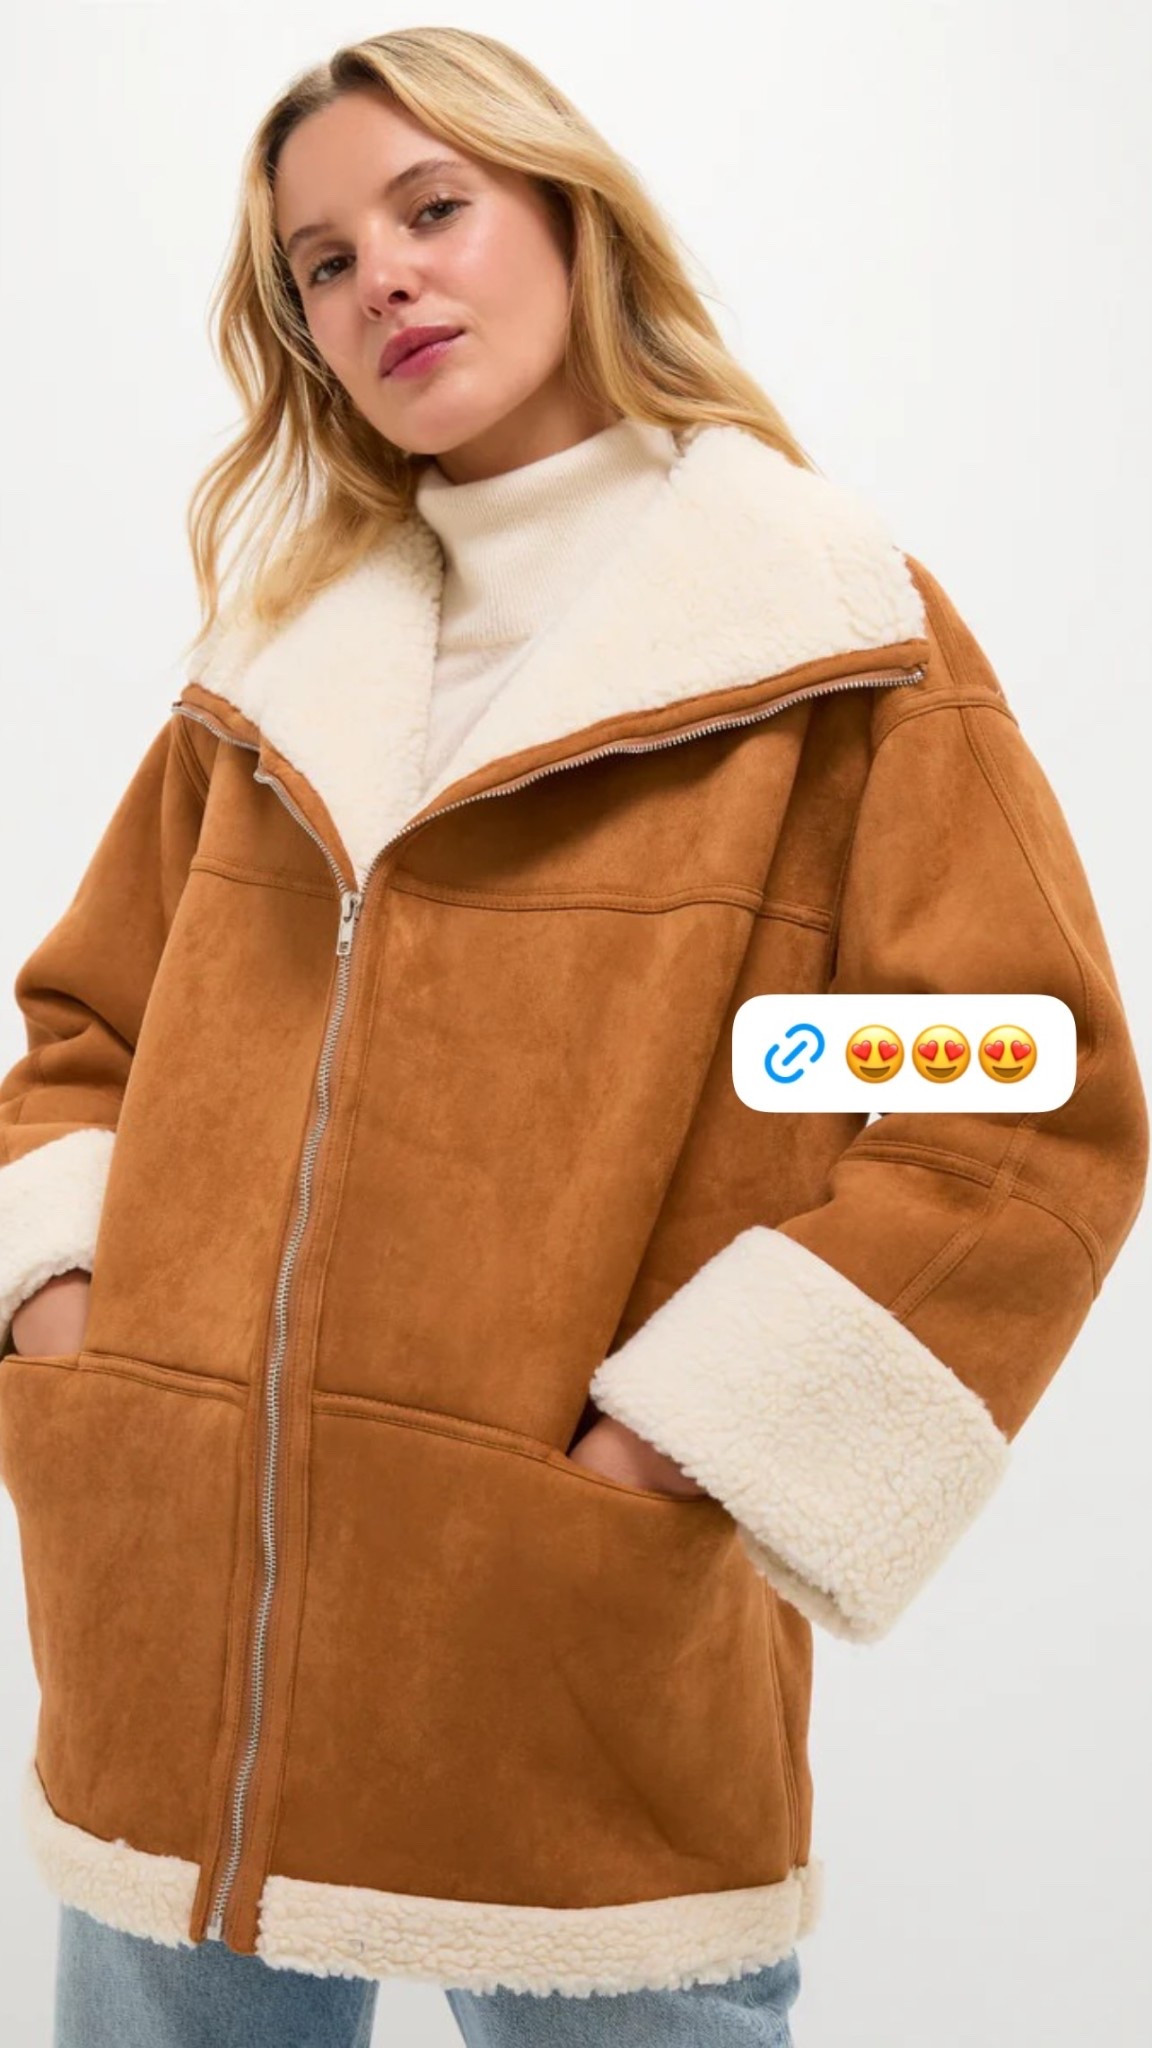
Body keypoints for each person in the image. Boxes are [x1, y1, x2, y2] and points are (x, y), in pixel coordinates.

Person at [0, 24, 1145, 2048]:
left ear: (570, 214)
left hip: (576, 1643)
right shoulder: (270, 674)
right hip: (178, 1660)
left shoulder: (828, 642)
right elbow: (85, 1032)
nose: (383, 281)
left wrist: (682, 1432)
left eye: (431, 208)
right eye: (323, 265)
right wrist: (91, 1343)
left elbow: (1010, 1092)